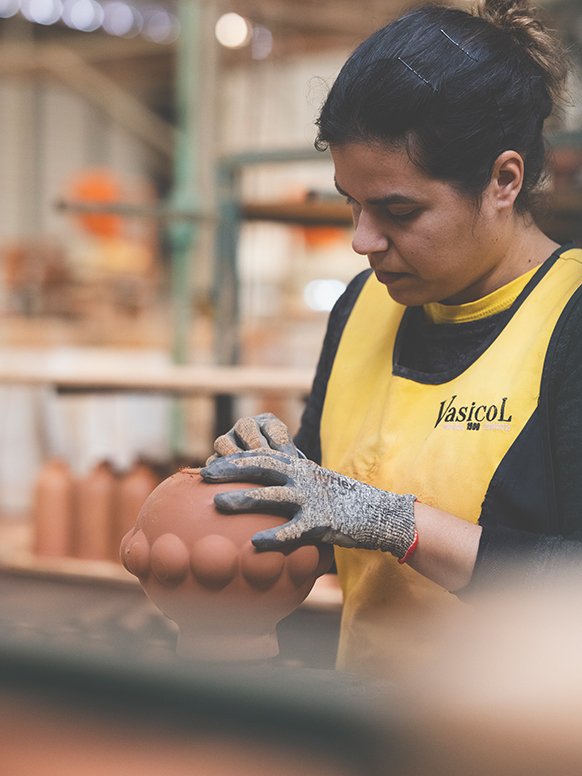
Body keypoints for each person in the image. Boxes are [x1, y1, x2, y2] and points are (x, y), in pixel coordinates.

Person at [202, 0, 582, 674]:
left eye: (398, 211)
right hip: (370, 733)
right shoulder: (363, 306)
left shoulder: (569, 322)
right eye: (352, 202)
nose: (362, 241)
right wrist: (269, 486)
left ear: (504, 180)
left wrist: (398, 524)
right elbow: (320, 523)